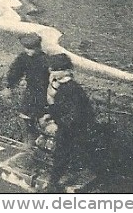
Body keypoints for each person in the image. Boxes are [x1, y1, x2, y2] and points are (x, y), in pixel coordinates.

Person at [42, 53, 97, 193]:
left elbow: (74, 114)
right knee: (65, 153)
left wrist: (57, 123)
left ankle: (53, 185)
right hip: (70, 126)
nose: (51, 72)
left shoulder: (71, 89)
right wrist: (51, 114)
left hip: (74, 127)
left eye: (53, 69)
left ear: (63, 71)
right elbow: (62, 108)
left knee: (62, 153)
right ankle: (57, 180)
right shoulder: (63, 86)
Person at [1, 32, 50, 146]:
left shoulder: (45, 60)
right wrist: (9, 86)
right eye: (26, 48)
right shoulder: (24, 58)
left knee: (42, 120)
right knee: (26, 118)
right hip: (30, 92)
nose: (28, 51)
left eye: (31, 48)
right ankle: (29, 142)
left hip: (44, 93)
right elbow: (15, 71)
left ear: (38, 47)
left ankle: (39, 143)